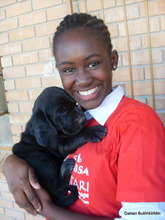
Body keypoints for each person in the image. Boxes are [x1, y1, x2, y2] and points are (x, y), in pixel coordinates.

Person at [2, 13, 165, 220]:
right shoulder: (72, 117)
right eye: (69, 69)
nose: (83, 79)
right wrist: (9, 162)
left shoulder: (137, 125)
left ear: (113, 60)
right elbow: (38, 148)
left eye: (93, 63)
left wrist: (47, 209)